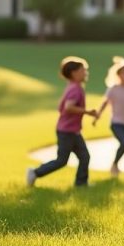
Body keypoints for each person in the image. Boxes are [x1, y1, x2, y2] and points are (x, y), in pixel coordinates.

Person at [27, 56, 99, 187]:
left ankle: (81, 183)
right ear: (74, 73)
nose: (86, 73)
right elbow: (68, 107)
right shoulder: (75, 89)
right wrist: (87, 112)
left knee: (84, 157)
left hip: (71, 131)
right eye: (83, 70)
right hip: (67, 132)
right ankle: (35, 172)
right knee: (62, 160)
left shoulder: (73, 86)